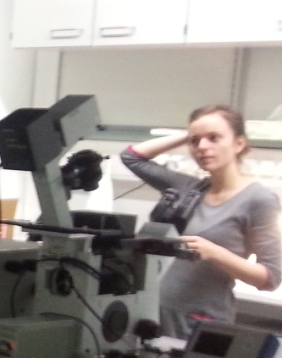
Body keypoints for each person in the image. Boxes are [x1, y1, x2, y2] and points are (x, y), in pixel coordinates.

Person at [121, 105, 282, 339]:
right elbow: (132, 157)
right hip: (154, 313)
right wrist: (188, 134)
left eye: (214, 138)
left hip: (199, 322)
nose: (202, 147)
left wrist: (214, 252)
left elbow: (271, 278)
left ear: (239, 143)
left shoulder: (259, 199)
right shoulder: (189, 188)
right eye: (195, 141)